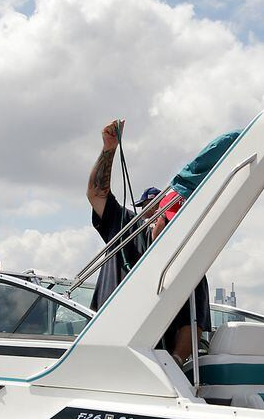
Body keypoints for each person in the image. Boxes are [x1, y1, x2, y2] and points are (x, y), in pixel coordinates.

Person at [87, 120, 209, 364]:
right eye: (167, 221)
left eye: (178, 225)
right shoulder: (125, 227)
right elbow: (96, 193)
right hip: (99, 349)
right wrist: (109, 148)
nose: (170, 232)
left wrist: (173, 361)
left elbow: (192, 326)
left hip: (148, 361)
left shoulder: (189, 263)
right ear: (153, 216)